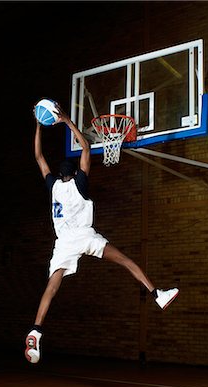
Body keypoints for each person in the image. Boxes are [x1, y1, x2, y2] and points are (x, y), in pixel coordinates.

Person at [25, 105, 179, 363]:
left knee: (52, 287)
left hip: (64, 243)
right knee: (126, 261)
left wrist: (39, 124)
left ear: (58, 176)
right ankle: (157, 295)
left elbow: (39, 157)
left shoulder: (53, 188)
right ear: (74, 174)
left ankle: (36, 330)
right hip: (86, 236)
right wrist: (66, 121)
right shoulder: (80, 183)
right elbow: (85, 147)